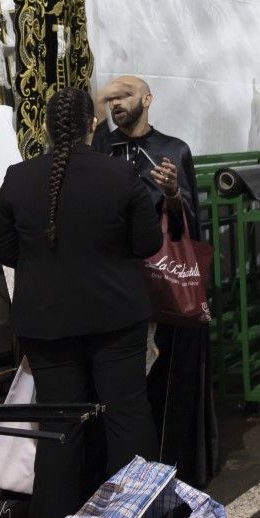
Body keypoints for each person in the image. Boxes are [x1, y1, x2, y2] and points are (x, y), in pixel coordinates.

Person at [0, 86, 160, 518]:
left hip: (46, 322)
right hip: (115, 317)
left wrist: (47, 266)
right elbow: (147, 243)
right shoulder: (119, 175)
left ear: (44, 128)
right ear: (92, 126)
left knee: (60, 424)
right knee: (126, 417)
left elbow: (3, 248)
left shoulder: (18, 178)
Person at [92, 75, 217, 488]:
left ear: (148, 99)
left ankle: (171, 472)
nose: (116, 103)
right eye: (110, 98)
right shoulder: (101, 148)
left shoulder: (172, 150)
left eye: (124, 95)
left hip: (161, 284)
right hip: (114, 284)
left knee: (166, 381)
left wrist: (174, 195)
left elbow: (189, 230)